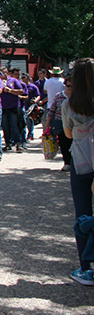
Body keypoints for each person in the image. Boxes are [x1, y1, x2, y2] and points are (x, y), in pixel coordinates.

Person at [61, 58, 94, 285]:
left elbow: (69, 135)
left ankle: (87, 267)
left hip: (82, 163)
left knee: (82, 214)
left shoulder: (70, 104)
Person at [46, 75, 73, 172]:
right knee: (63, 143)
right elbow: (52, 110)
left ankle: (74, 162)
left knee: (73, 144)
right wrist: (48, 124)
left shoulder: (78, 97)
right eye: (68, 86)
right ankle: (67, 163)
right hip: (60, 122)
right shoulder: (59, 95)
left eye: (72, 86)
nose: (70, 88)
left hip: (74, 124)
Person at [0, 67, 25, 152]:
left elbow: (21, 91)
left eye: (4, 72)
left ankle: (18, 143)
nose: (3, 74)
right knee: (5, 126)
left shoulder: (13, 80)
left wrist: (10, 90)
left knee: (15, 126)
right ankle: (8, 144)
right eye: (1, 73)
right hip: (3, 107)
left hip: (13, 106)